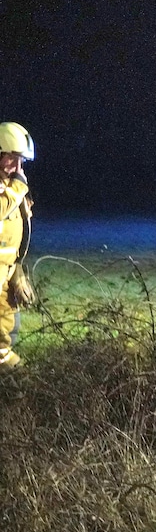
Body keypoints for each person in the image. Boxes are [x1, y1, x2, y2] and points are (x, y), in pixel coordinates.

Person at [0, 122, 34, 368]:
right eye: (13, 159)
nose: (18, 167)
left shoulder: (11, 186)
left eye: (21, 160)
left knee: (10, 330)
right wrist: (18, 188)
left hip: (7, 272)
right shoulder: (13, 189)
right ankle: (16, 386)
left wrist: (17, 270)